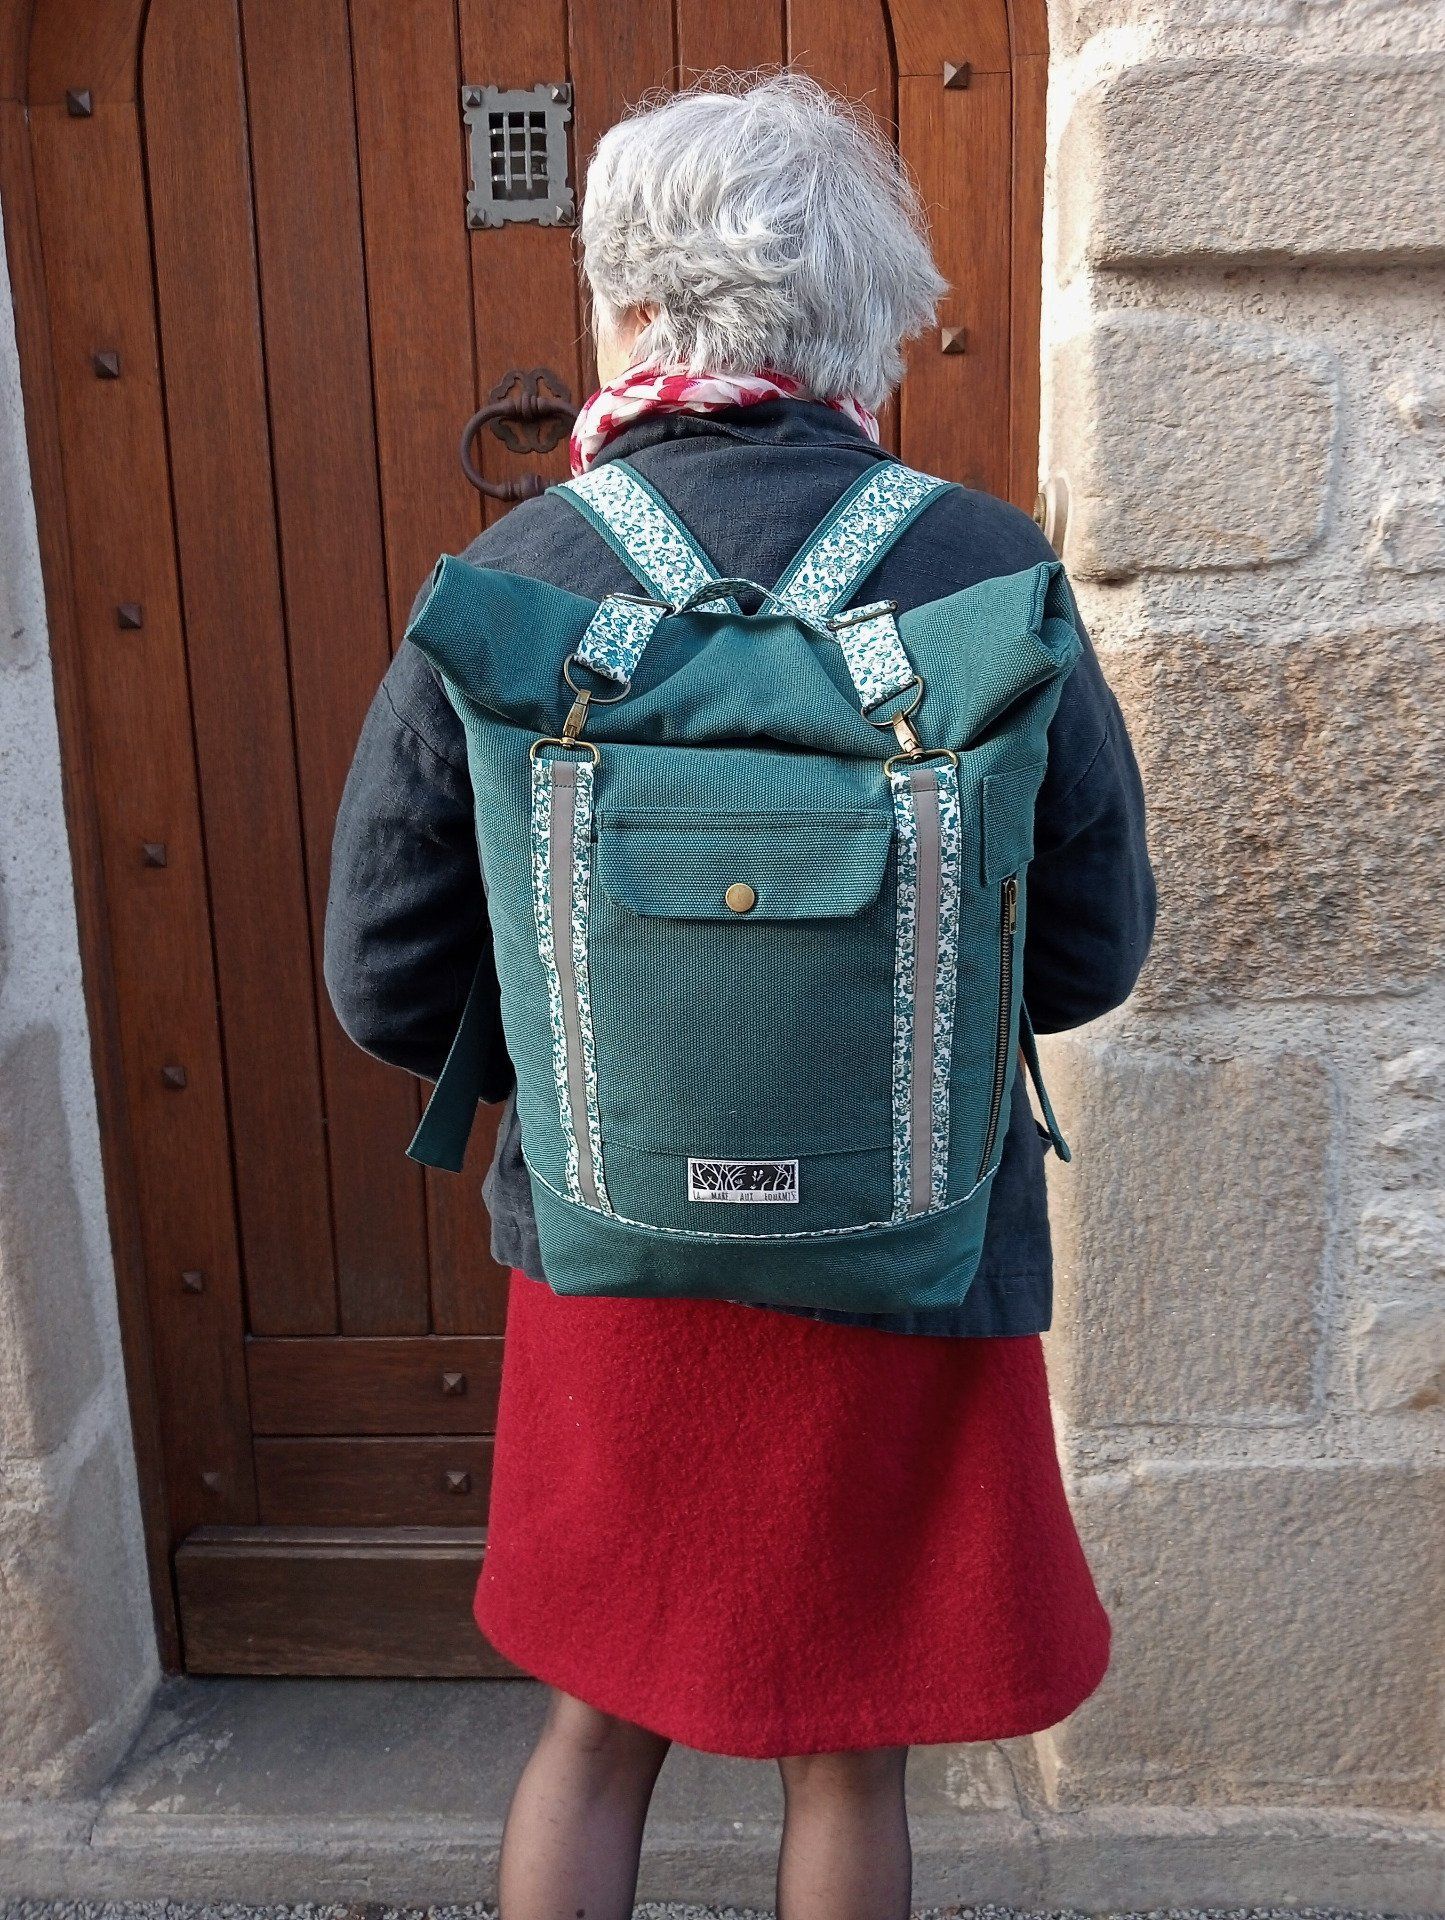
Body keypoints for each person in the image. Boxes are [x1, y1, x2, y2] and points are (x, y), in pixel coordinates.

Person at [325, 73, 1154, 1920]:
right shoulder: (982, 573)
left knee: (594, 1729)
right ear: (868, 318)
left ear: (628, 303)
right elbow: (1091, 954)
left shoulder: (518, 580)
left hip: (613, 1238)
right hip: (906, 1248)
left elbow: (382, 976)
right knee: (849, 1747)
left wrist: (600, 1048)